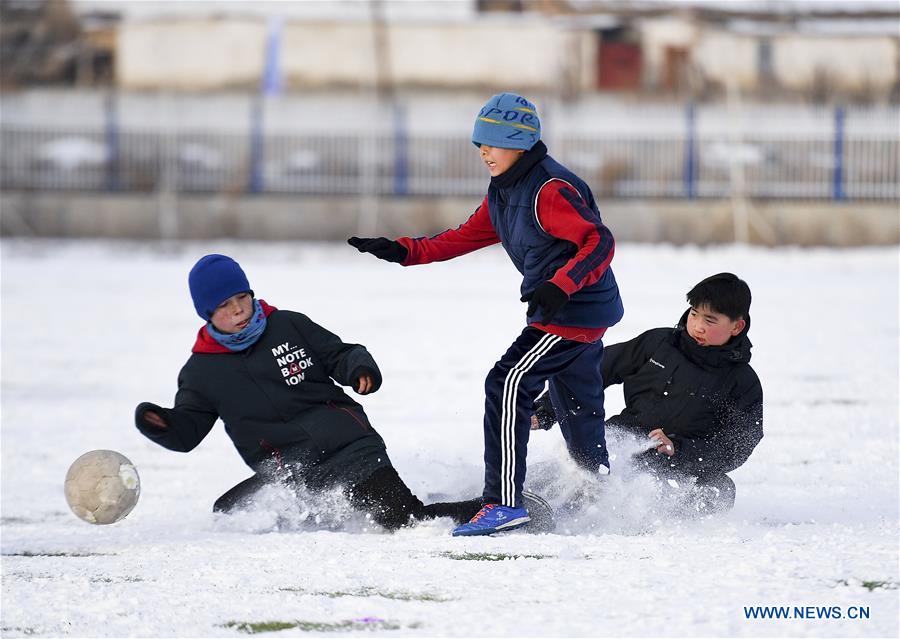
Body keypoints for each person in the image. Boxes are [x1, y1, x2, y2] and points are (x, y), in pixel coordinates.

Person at [348, 92, 623, 536]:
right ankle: (602, 488)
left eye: (492, 142)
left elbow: (600, 243)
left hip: (570, 314)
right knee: (577, 406)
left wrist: (560, 286)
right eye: (480, 143)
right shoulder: (505, 192)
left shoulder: (548, 190)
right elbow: (459, 238)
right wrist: (402, 251)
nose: (483, 152)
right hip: (575, 314)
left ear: (520, 142)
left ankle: (504, 503)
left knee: (508, 382)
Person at [135, 253, 487, 531]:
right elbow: (187, 431)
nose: (239, 309)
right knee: (229, 517)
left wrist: (358, 368)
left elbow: (340, 354)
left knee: (402, 521)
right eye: (225, 305)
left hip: (349, 449)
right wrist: (160, 424)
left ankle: (494, 509)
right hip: (290, 472)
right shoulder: (201, 372)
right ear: (207, 313)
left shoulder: (287, 324)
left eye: (241, 297)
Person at [532, 273, 763, 512]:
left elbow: (738, 444)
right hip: (622, 438)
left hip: (675, 465)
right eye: (694, 314)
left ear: (737, 326)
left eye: (710, 320)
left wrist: (680, 449)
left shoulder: (742, 382)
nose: (698, 326)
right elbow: (592, 372)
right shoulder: (658, 343)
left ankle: (616, 517)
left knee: (719, 490)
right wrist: (546, 409)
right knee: (577, 464)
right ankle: (527, 500)